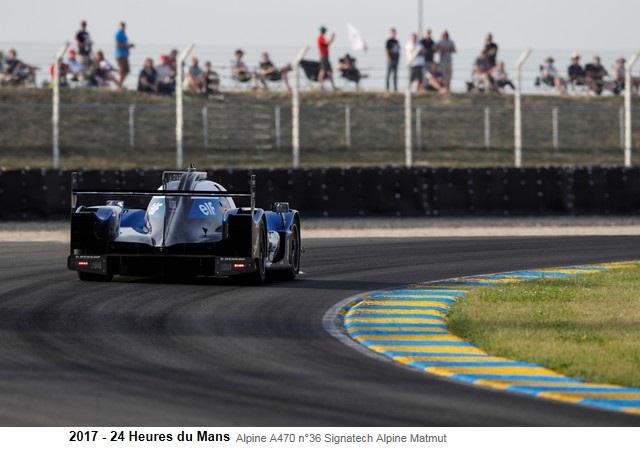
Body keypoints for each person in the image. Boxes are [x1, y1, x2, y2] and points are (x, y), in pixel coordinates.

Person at [114, 21, 134, 88]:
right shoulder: (118, 34)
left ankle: (120, 84)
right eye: (121, 26)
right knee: (122, 70)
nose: (123, 27)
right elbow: (117, 44)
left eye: (124, 26)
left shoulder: (124, 34)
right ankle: (119, 84)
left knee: (127, 70)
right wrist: (127, 46)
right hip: (120, 55)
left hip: (125, 55)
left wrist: (129, 46)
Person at [317, 25, 337, 91]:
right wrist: (332, 37)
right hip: (323, 57)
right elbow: (327, 42)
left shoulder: (322, 38)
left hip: (325, 57)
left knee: (329, 72)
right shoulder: (320, 38)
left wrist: (332, 38)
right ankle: (321, 86)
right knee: (322, 71)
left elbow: (328, 43)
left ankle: (333, 86)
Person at [384, 27, 400, 92]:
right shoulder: (388, 41)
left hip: (396, 59)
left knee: (395, 75)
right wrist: (389, 58)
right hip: (391, 60)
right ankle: (387, 88)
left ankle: (395, 88)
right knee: (388, 74)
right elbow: (386, 50)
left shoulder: (396, 41)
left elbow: (398, 50)